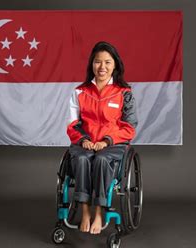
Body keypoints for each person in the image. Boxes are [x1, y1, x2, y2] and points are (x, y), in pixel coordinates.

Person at [66, 41, 138, 235]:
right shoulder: (79, 92)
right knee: (82, 158)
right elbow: (72, 125)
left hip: (112, 144)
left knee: (101, 159)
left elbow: (129, 127)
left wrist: (106, 141)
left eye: (107, 62)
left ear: (115, 65)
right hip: (85, 142)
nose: (102, 67)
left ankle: (99, 212)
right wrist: (84, 141)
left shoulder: (124, 93)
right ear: (92, 64)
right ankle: (85, 211)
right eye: (98, 62)